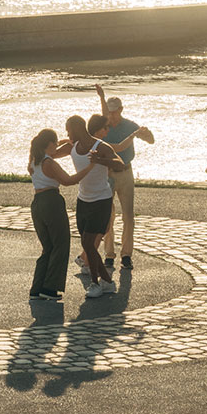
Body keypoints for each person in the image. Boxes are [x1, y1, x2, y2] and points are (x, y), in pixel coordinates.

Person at [26, 127, 95, 301]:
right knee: (61, 244)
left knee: (47, 247)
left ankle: (37, 288)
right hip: (52, 201)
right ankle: (50, 288)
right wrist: (89, 167)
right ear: (49, 144)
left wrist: (65, 142)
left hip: (37, 203)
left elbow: (54, 151)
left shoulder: (33, 160)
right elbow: (68, 181)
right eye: (55, 143)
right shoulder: (49, 163)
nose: (57, 146)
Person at [67, 113, 128, 299]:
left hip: (101, 200)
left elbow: (120, 164)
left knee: (88, 244)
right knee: (87, 244)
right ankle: (107, 282)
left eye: (69, 131)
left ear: (77, 128)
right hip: (83, 200)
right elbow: (50, 153)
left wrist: (99, 160)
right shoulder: (73, 146)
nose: (67, 134)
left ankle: (95, 283)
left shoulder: (100, 146)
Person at [96, 84, 154, 272]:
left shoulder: (130, 125)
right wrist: (101, 96)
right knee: (108, 216)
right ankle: (109, 255)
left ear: (121, 110)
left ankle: (126, 255)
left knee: (128, 216)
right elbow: (116, 147)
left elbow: (151, 140)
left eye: (114, 111)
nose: (111, 115)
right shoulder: (103, 127)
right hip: (108, 173)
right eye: (109, 111)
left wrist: (146, 133)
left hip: (126, 172)